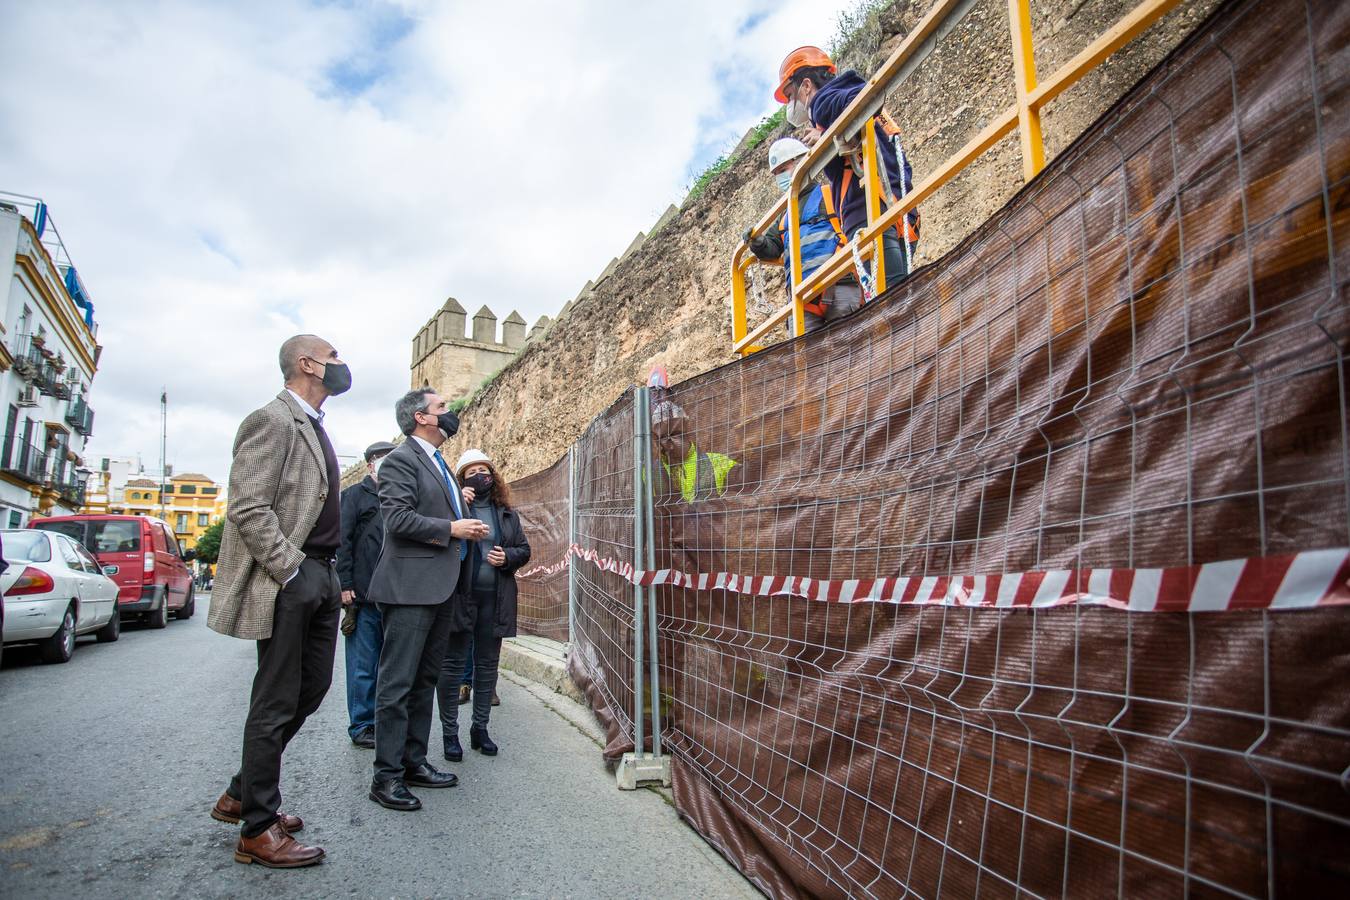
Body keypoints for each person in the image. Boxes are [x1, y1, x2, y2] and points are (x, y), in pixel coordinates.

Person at [206, 334, 350, 869]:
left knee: (311, 689)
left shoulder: (313, 424)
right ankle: (257, 828)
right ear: (309, 364)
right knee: (273, 701)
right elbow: (247, 506)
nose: (341, 365)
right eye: (334, 356)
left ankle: (245, 791)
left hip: (321, 576)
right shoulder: (271, 419)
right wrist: (291, 571)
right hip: (294, 575)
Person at [366, 388, 488, 812]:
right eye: (442, 409)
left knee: (423, 681)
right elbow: (397, 519)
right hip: (410, 589)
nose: (449, 414)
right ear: (421, 418)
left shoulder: (440, 466)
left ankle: (414, 762)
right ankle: (386, 776)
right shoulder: (400, 460)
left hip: (442, 588)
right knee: (397, 683)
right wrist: (452, 529)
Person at [776, 45, 919, 291]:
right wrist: (830, 135)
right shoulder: (837, 98)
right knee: (898, 299)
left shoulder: (822, 102)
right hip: (895, 207)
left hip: (869, 212)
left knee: (893, 306)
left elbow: (861, 101)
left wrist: (829, 134)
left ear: (807, 85)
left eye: (790, 95)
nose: (791, 104)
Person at [437, 449, 530, 760]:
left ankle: (480, 729)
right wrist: (456, 505)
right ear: (461, 479)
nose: (480, 476)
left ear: (494, 476)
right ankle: (450, 734)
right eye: (472, 471)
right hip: (460, 597)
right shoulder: (452, 509)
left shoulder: (506, 513)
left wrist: (508, 557)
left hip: (496, 598)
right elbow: (438, 540)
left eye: (485, 470)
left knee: (487, 665)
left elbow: (523, 549)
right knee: (452, 666)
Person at [747, 136, 861, 331]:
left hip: (839, 284)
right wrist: (757, 242)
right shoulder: (784, 214)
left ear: (802, 162)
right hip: (803, 300)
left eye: (783, 170)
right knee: (806, 359)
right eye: (776, 173)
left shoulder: (829, 193)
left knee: (849, 352)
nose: (780, 177)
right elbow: (772, 248)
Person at [337, 440, 396, 749]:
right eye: (383, 460)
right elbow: (342, 543)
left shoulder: (398, 495)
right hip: (362, 595)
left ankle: (382, 721)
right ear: (371, 464)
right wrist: (344, 584)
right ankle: (361, 724)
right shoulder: (353, 497)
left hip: (394, 595)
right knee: (363, 666)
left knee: (388, 666)